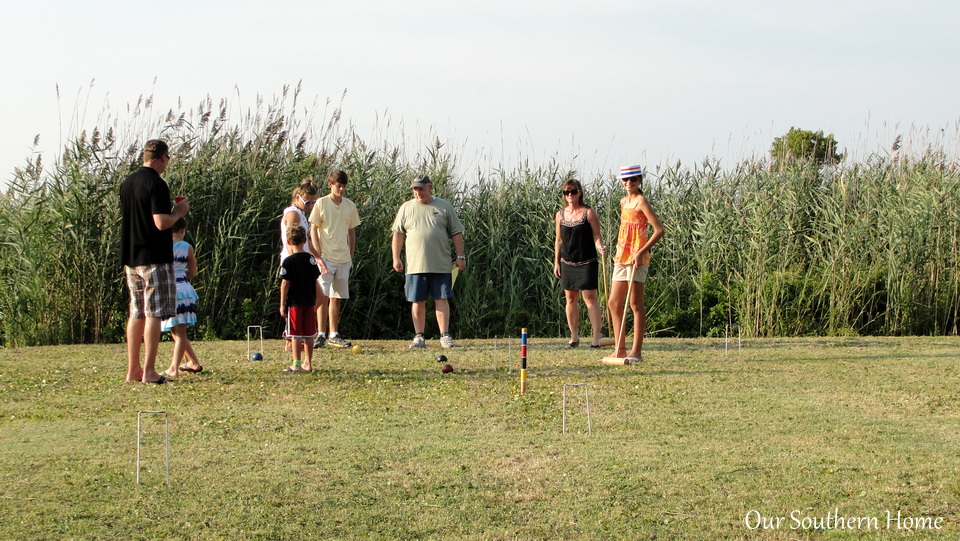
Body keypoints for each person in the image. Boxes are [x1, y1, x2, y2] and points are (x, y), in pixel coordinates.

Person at [119, 139, 189, 384]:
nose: (167, 163)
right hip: (154, 257)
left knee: (136, 312)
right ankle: (149, 371)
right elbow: (161, 223)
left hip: (131, 255)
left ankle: (133, 370)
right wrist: (179, 212)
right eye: (167, 158)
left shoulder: (128, 183)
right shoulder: (156, 184)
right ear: (161, 157)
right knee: (154, 314)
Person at [391, 173, 466, 349]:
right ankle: (419, 337)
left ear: (429, 187)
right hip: (415, 265)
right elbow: (398, 234)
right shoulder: (406, 208)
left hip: (441, 264)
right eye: (415, 189)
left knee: (442, 299)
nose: (418, 192)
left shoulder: (444, 207)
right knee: (417, 301)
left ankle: (445, 335)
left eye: (421, 189)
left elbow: (456, 233)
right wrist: (396, 257)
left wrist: (460, 256)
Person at [607, 165, 664, 363]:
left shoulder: (641, 202)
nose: (629, 183)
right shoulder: (624, 202)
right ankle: (620, 349)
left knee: (635, 304)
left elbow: (659, 230)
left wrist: (641, 252)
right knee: (614, 302)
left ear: (639, 181)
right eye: (625, 180)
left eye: (633, 180)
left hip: (637, 258)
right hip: (621, 256)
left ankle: (636, 352)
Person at [309, 170, 361, 349]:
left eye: (344, 186)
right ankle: (320, 334)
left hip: (343, 258)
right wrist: (317, 254)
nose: (341, 189)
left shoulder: (349, 205)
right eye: (338, 186)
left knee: (336, 297)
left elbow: (351, 231)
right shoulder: (321, 203)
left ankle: (334, 334)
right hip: (325, 258)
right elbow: (313, 228)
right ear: (330, 185)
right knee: (322, 296)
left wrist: (351, 253)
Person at [553, 179, 606, 348]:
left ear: (580, 192)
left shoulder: (588, 213)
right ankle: (574, 337)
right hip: (567, 261)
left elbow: (596, 235)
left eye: (573, 191)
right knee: (570, 298)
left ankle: (596, 337)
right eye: (566, 192)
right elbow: (559, 240)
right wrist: (556, 262)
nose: (570, 195)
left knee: (590, 298)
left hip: (587, 260)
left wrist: (600, 247)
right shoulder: (560, 215)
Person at [280, 177, 324, 352]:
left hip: (305, 261)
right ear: (297, 197)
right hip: (295, 262)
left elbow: (307, 241)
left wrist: (318, 258)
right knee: (297, 301)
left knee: (319, 297)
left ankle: (299, 331)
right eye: (307, 202)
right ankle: (291, 337)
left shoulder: (302, 215)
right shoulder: (292, 213)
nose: (309, 206)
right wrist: (295, 262)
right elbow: (292, 238)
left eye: (313, 203)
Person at [161, 218, 202, 378]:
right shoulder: (187, 247)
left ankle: (173, 368)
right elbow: (192, 273)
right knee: (179, 331)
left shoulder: (160, 246)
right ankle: (193, 362)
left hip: (168, 289)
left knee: (176, 330)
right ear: (183, 230)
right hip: (183, 290)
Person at [279, 225, 322, 372]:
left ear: (289, 242)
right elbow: (316, 278)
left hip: (295, 303)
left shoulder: (288, 261)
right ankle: (308, 364)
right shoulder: (310, 259)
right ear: (305, 240)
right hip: (309, 301)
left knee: (296, 334)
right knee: (309, 333)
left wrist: (282, 303)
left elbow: (285, 283)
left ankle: (296, 364)